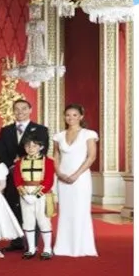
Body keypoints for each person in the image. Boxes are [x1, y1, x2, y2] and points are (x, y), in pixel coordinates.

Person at [0, 99, 49, 252]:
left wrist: (23, 164)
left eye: (24, 108)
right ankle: (16, 241)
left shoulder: (40, 129)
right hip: (11, 174)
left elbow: (42, 151)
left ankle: (33, 243)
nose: (20, 112)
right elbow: (1, 151)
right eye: (17, 109)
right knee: (13, 206)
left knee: (33, 207)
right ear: (13, 111)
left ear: (30, 110)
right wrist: (11, 166)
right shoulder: (6, 130)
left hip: (32, 175)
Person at [52, 104, 99, 257]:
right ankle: (63, 246)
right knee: (65, 211)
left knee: (80, 210)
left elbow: (91, 157)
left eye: (74, 115)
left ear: (81, 116)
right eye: (67, 115)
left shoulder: (89, 134)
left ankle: (81, 246)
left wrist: (76, 175)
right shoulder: (59, 136)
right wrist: (59, 173)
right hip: (63, 178)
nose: (70, 118)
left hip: (81, 178)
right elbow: (56, 156)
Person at [13, 135, 56, 260]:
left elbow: (48, 180)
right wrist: (25, 194)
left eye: (34, 146)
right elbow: (17, 179)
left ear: (41, 147)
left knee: (43, 220)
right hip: (25, 193)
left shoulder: (48, 161)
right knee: (27, 220)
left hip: (42, 194)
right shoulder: (19, 162)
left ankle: (47, 248)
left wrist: (36, 195)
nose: (31, 148)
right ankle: (31, 248)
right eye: (28, 146)